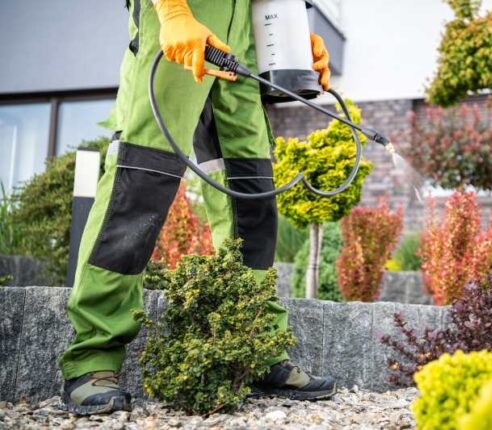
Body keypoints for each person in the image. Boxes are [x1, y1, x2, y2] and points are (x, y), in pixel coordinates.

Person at [59, 0, 335, 415]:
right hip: (185, 11)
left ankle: (255, 345)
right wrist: (171, 12)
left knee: (251, 188)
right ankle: (92, 358)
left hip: (248, 24)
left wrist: (291, 35)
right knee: (142, 176)